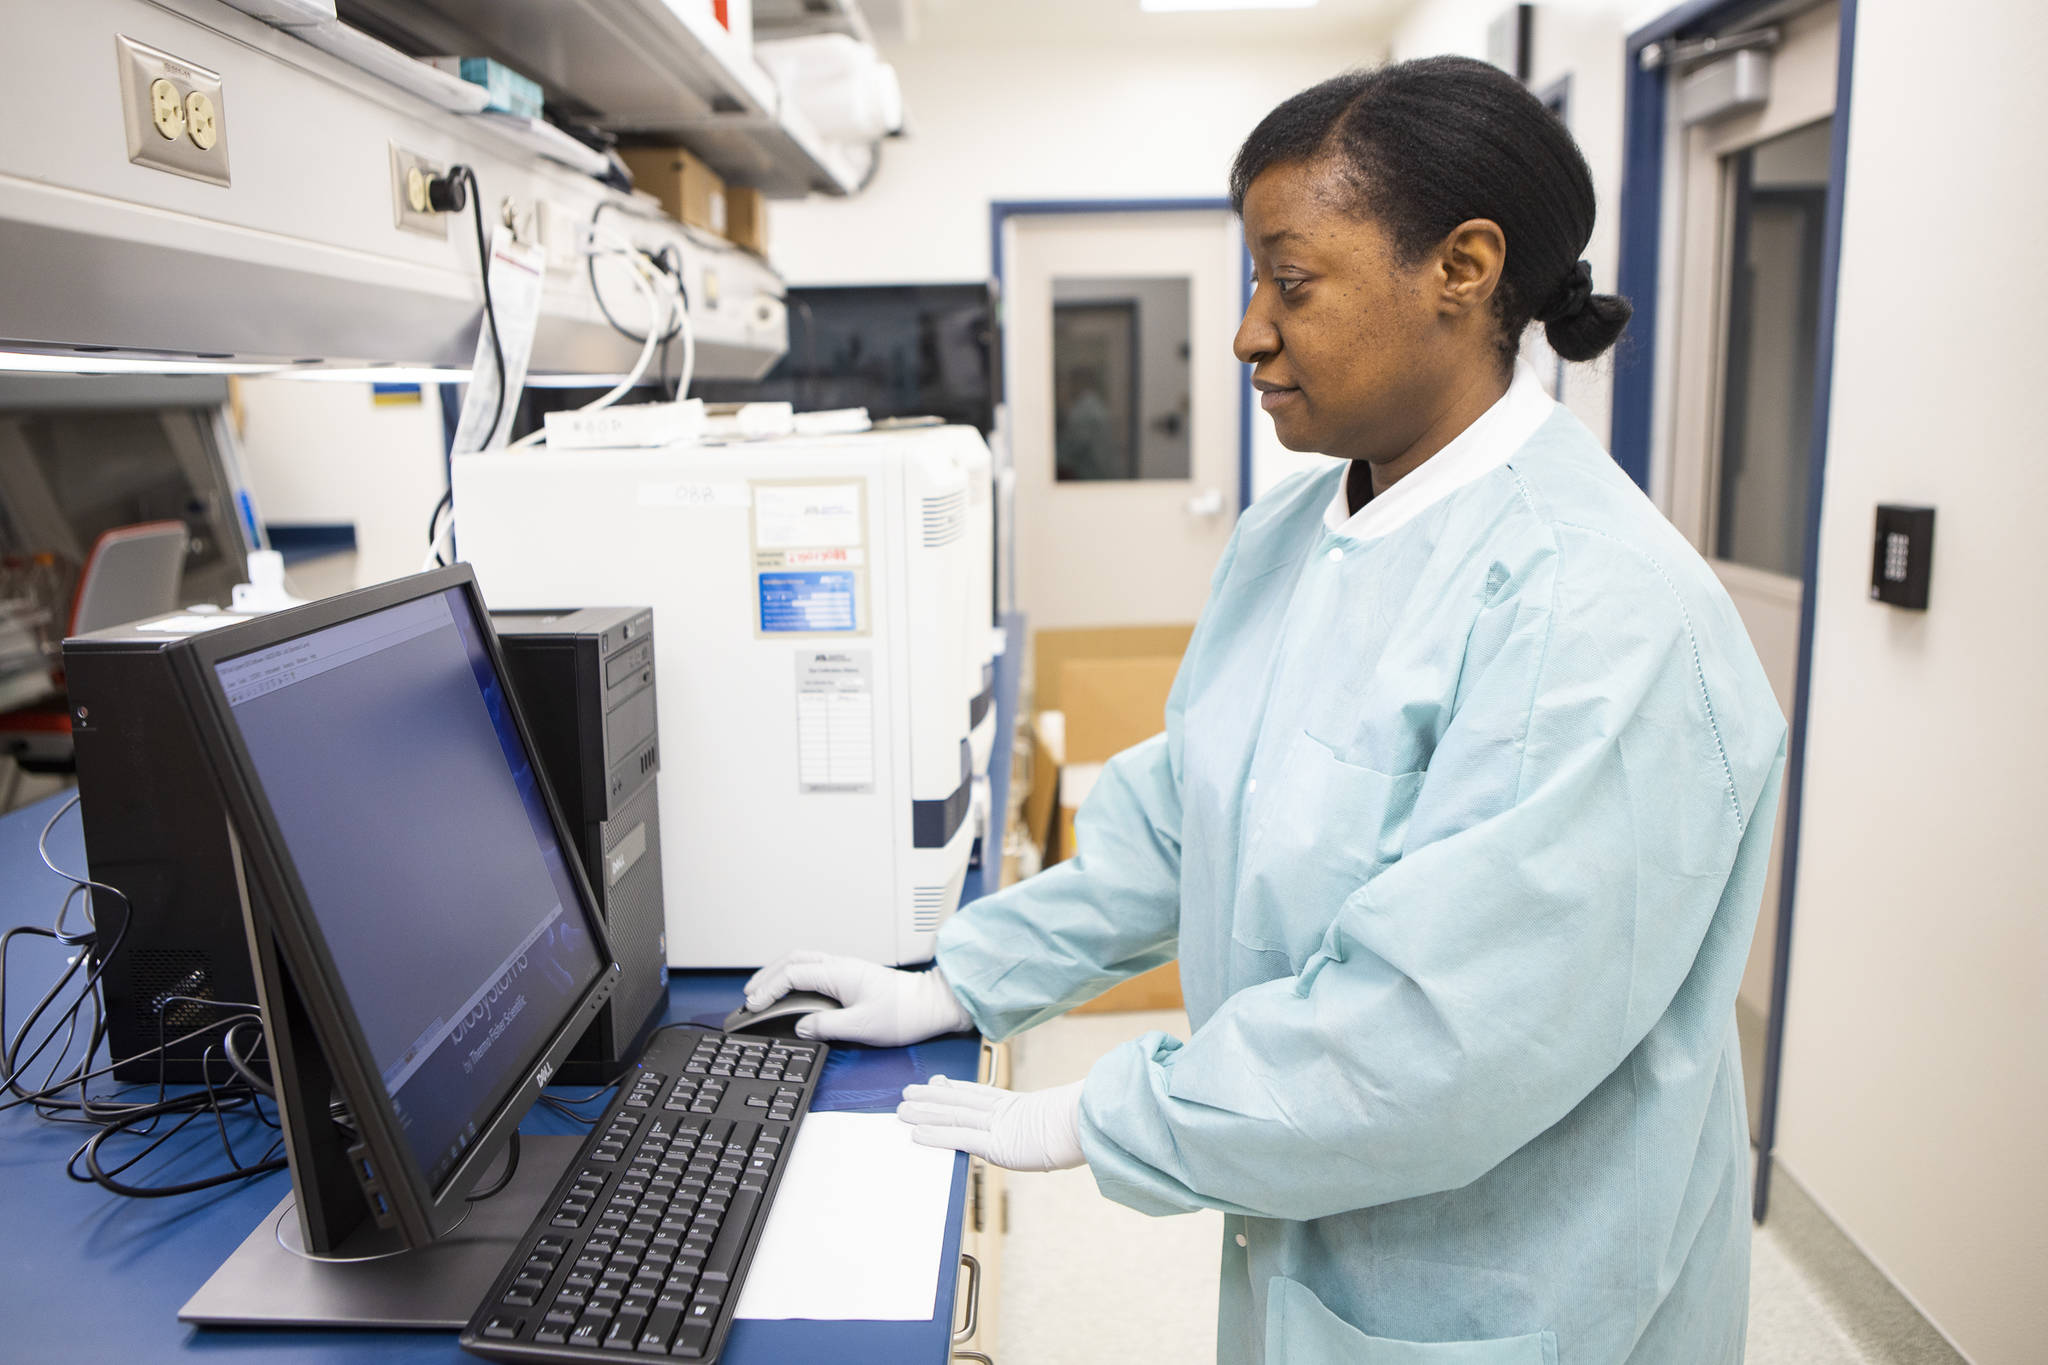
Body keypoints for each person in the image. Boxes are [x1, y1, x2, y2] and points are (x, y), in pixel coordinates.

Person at [746, 56, 1785, 1365]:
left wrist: (1105, 1115)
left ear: (1461, 269)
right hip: (1314, 1256)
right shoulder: (1299, 530)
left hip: (1510, 1294)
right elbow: (1183, 819)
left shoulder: (1605, 614)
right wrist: (955, 980)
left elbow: (1437, 1039)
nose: (1247, 331)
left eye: (1291, 283)